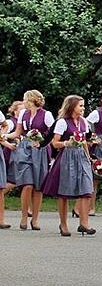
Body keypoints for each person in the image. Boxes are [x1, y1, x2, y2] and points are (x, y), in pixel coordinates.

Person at [41, 95, 96, 237]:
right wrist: (67, 143)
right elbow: (55, 143)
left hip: (81, 157)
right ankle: (63, 224)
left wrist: (89, 157)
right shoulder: (62, 122)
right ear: (72, 106)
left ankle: (84, 223)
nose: (83, 108)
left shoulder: (84, 122)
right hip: (67, 157)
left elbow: (84, 141)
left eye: (83, 105)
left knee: (86, 189)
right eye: (81, 106)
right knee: (64, 192)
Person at [10, 90, 54, 231]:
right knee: (27, 184)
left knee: (38, 186)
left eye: (25, 99)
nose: (23, 102)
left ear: (31, 100)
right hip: (24, 149)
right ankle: (24, 216)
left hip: (40, 150)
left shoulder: (46, 115)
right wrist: (4, 136)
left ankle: (35, 219)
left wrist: (41, 141)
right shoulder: (23, 114)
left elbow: (52, 133)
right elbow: (17, 132)